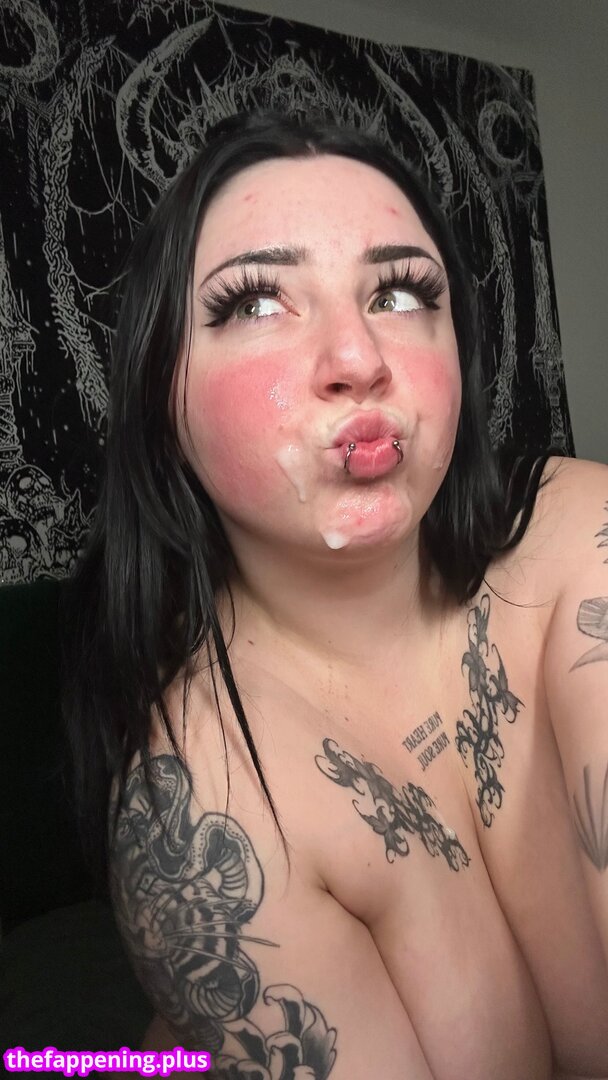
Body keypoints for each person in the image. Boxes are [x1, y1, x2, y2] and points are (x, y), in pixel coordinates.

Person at [62, 110, 608, 1080]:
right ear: (160, 393)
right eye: (256, 303)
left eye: (399, 292)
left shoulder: (580, 538)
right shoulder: (208, 799)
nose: (358, 358)